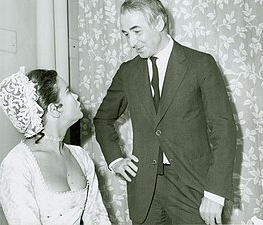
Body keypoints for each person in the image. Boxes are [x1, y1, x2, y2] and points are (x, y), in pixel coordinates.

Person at [93, 0, 237, 224]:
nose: (131, 42)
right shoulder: (127, 72)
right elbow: (102, 119)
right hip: (144, 191)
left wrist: (215, 193)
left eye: (136, 31)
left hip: (192, 187)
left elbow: (224, 129)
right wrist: (115, 160)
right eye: (125, 34)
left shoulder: (201, 64)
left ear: (159, 22)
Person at [0, 67, 111, 225]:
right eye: (68, 92)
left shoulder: (81, 156)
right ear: (54, 109)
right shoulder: (17, 163)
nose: (76, 96)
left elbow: (98, 217)